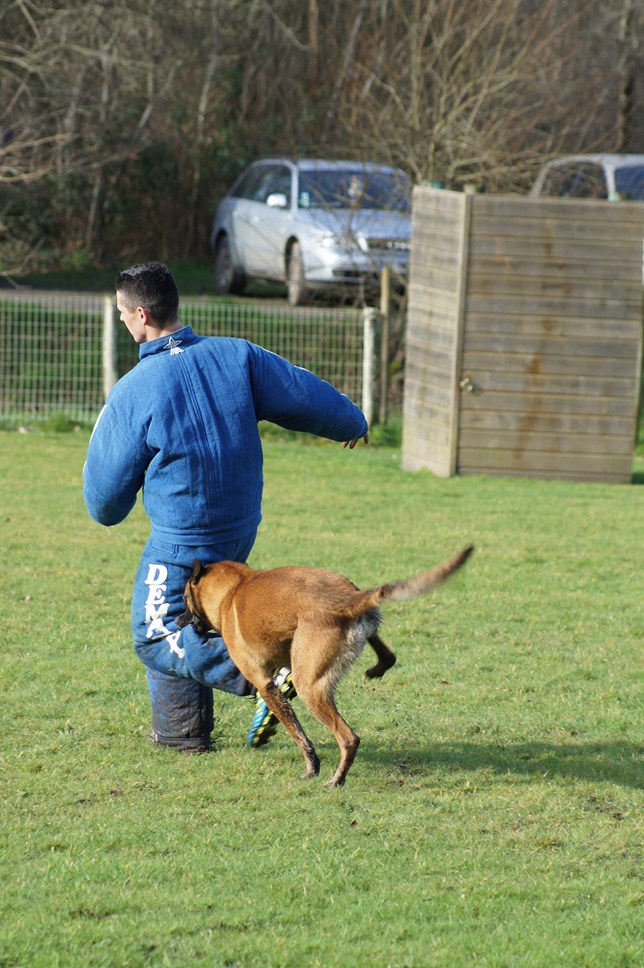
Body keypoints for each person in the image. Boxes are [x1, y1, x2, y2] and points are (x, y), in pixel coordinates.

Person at [83, 261, 368, 753]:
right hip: (238, 529)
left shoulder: (133, 391)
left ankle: (262, 678)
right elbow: (303, 392)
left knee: (154, 632)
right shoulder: (238, 357)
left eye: (123, 314)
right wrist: (351, 422)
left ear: (143, 314)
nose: (123, 321)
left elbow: (104, 503)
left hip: (183, 539)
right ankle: (182, 734)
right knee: (188, 621)